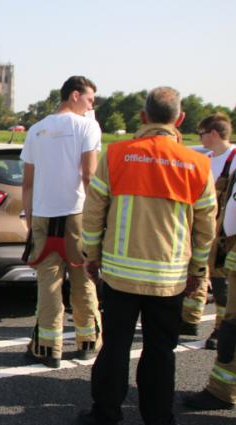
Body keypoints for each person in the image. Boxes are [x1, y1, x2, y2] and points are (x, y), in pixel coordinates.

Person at [77, 87, 217, 424]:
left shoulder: (117, 155)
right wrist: (198, 270)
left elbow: (94, 212)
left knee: (114, 348)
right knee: (160, 352)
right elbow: (205, 227)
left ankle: (106, 414)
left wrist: (91, 256)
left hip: (120, 276)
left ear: (143, 117)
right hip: (169, 280)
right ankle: (158, 417)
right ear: (180, 119)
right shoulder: (197, 164)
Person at [21, 75, 103, 368]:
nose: (91, 106)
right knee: (83, 281)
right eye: (90, 99)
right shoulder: (87, 126)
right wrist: (99, 220)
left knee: (48, 284)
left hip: (43, 215)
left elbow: (27, 184)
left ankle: (49, 349)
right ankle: (87, 344)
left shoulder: (36, 130)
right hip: (77, 214)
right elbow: (89, 176)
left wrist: (31, 223)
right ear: (75, 95)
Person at [182, 114, 236, 412]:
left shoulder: (233, 159)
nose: (200, 139)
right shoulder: (208, 159)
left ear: (214, 133)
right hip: (216, 237)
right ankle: (193, 319)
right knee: (210, 282)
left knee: (228, 309)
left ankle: (221, 390)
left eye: (202, 133)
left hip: (224, 239)